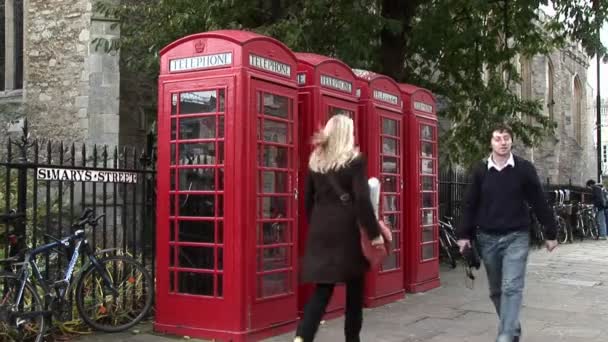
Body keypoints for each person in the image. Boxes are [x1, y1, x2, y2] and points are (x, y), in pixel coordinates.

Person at [456, 124, 558, 342]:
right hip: (487, 238)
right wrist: (464, 235)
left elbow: (539, 201)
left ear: (511, 141)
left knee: (512, 286)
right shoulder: (480, 170)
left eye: (506, 138)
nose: (502, 142)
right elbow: (469, 204)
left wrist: (551, 232)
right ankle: (512, 328)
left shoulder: (524, 169)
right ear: (491, 143)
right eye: (497, 139)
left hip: (516, 237)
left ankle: (505, 335)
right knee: (496, 291)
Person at [295, 115, 384, 342]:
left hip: (320, 229)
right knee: (355, 291)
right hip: (348, 231)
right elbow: (363, 201)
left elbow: (307, 201)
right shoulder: (354, 160)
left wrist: (316, 226)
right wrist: (374, 235)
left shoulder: (315, 160)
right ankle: (352, 340)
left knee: (322, 291)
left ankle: (301, 338)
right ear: (347, 133)